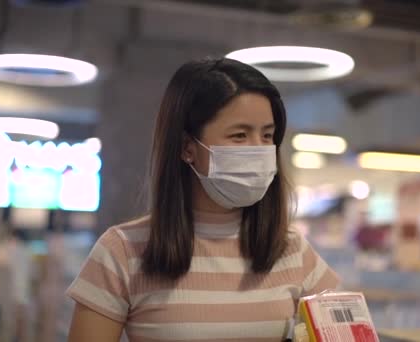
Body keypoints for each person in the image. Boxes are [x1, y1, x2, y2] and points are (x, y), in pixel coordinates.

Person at [67, 58, 340, 341]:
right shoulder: (122, 251)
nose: (259, 150)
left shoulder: (292, 250)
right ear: (187, 147)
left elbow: (346, 331)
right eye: (239, 135)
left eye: (267, 135)